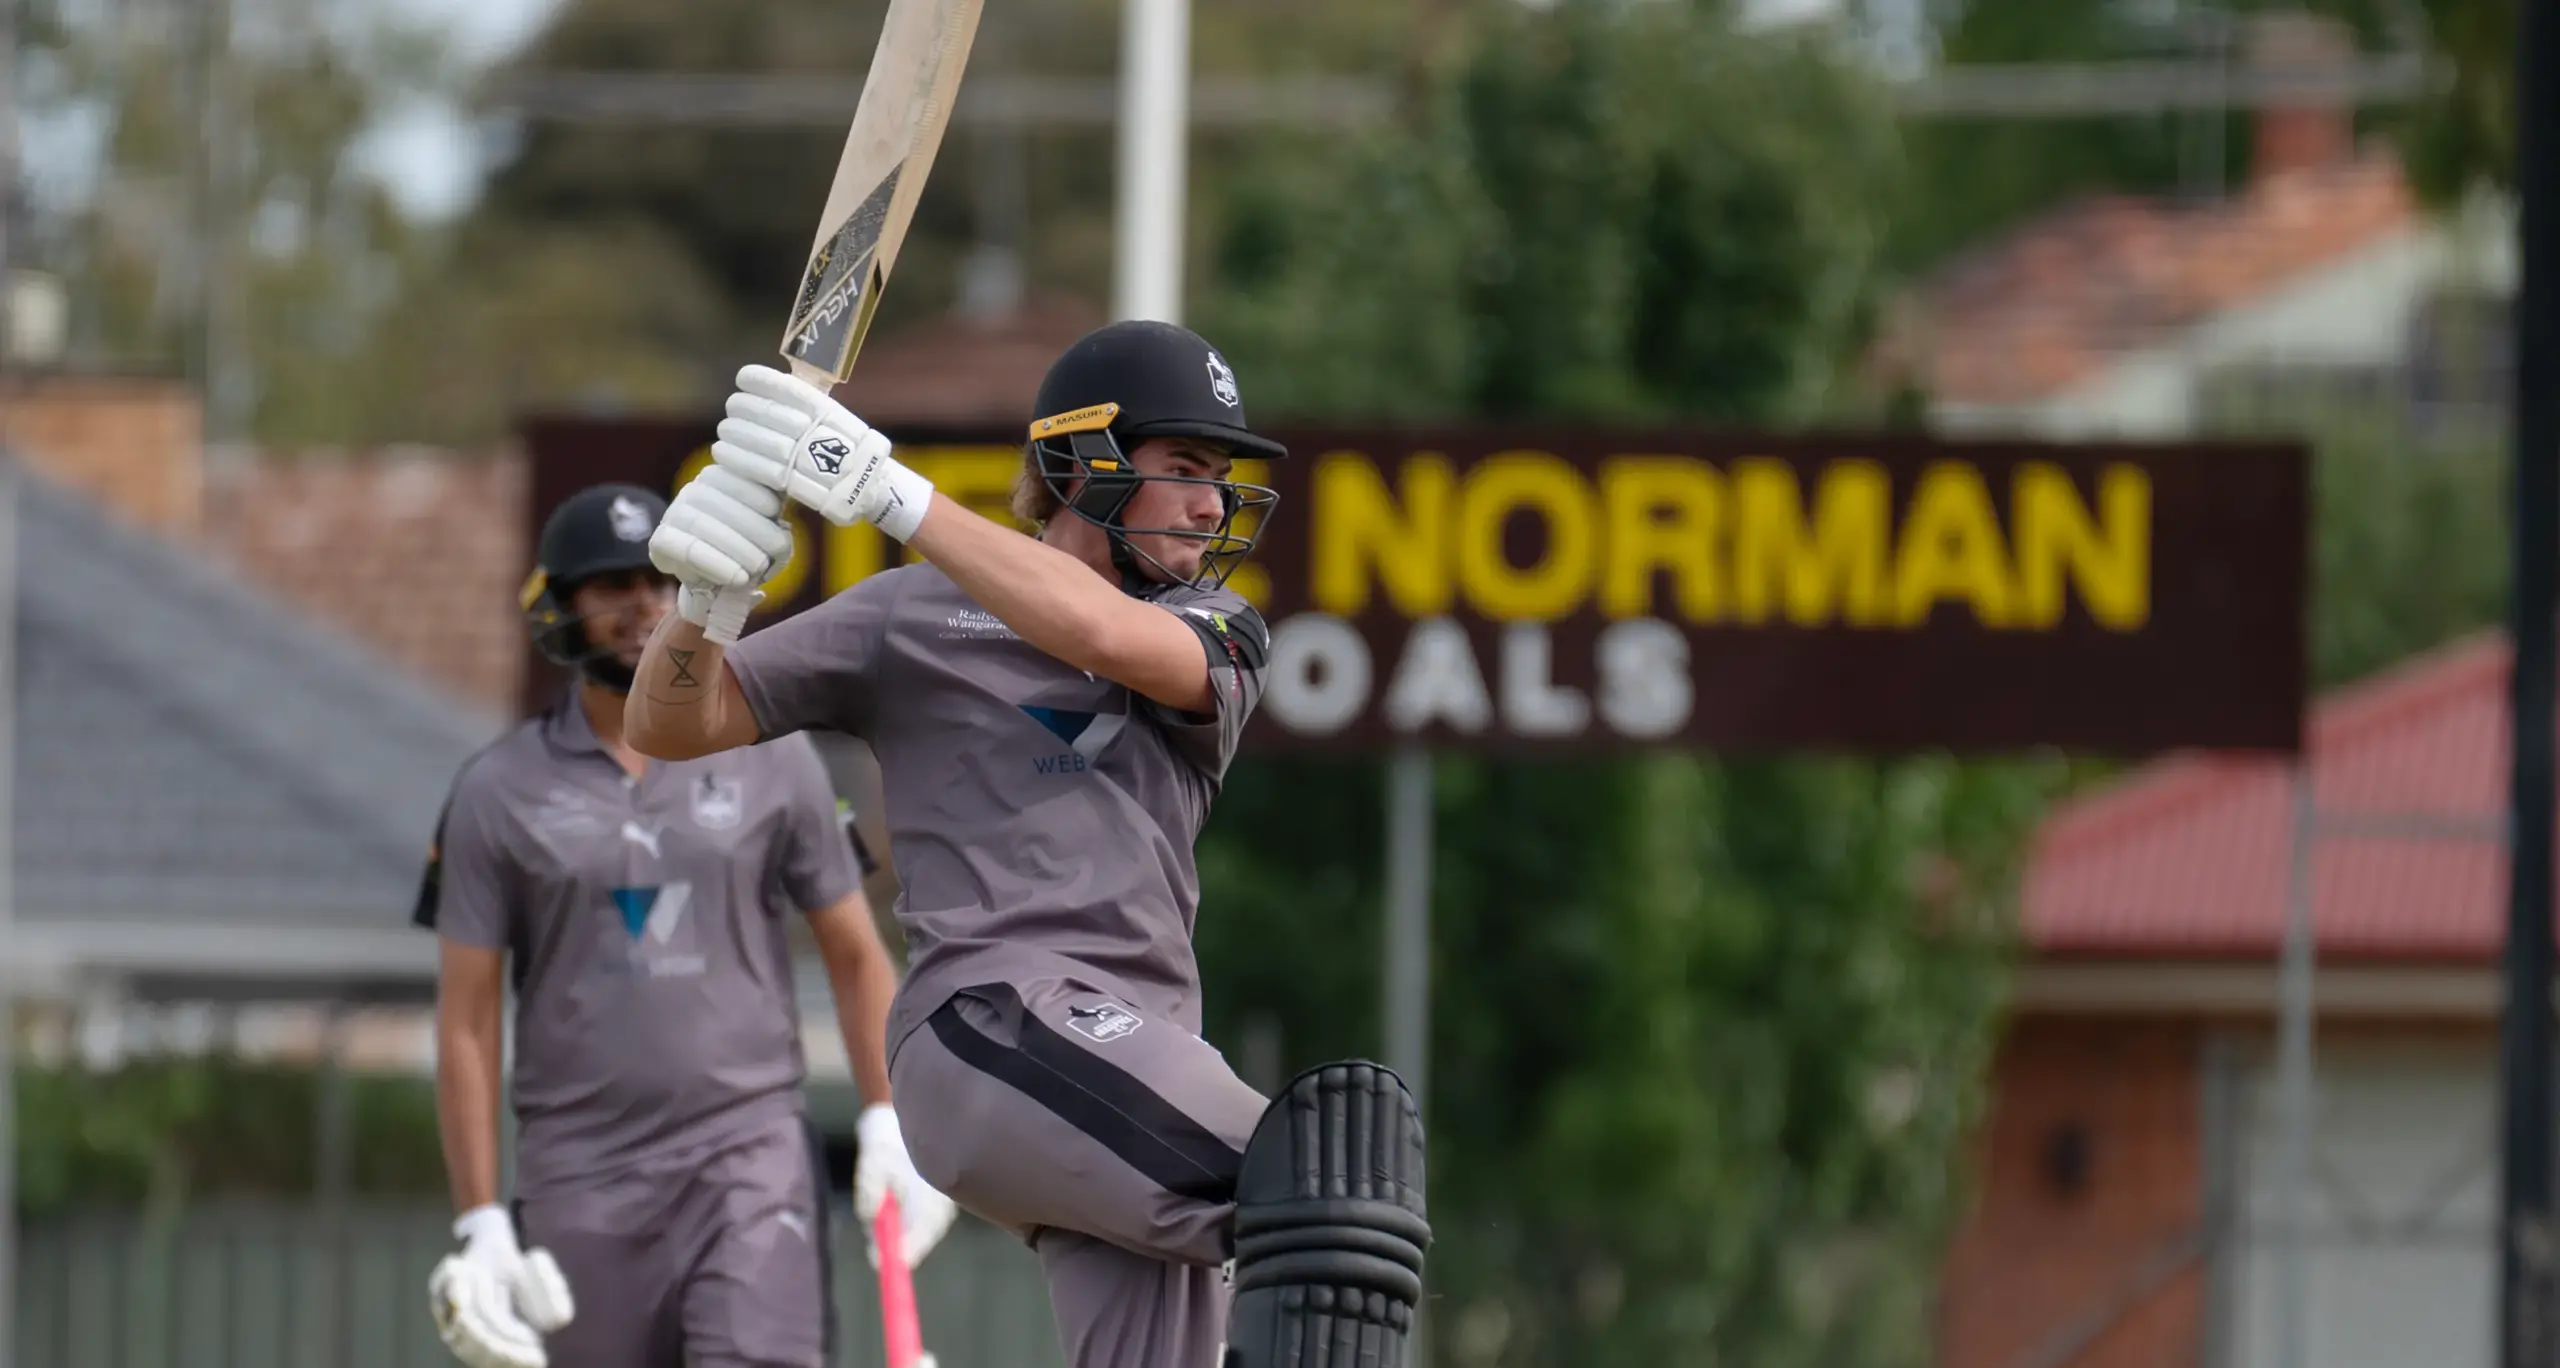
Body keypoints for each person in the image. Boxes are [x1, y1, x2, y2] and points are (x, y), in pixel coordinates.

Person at [625, 320, 1433, 1368]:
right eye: (1184, 467)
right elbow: (670, 725)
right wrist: (703, 604)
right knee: (1319, 1175)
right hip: (991, 1025)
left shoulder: (1217, 627)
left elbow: (1095, 631)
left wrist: (893, 495)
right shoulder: (904, 616)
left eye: (1219, 476)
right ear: (1079, 463)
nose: (1211, 500)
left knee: (1307, 1223)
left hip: (1131, 1074)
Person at [414, 482, 957, 1368]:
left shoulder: (773, 755)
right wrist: (478, 1220)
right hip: (578, 1179)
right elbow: (467, 1022)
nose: (643, 606)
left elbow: (859, 959)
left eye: (662, 580)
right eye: (612, 585)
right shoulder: (495, 791)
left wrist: (887, 1117)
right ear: (557, 603)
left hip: (748, 1159)